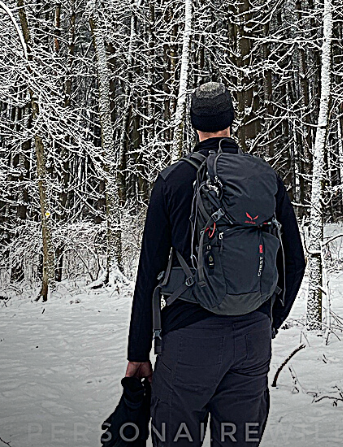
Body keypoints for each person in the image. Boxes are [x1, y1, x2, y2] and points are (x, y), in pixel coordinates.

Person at [125, 81, 306, 446]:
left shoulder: (172, 180)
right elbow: (295, 261)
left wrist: (137, 352)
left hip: (188, 338)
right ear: (231, 120)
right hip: (253, 338)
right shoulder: (264, 177)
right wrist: (268, 319)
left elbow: (149, 273)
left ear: (193, 124)